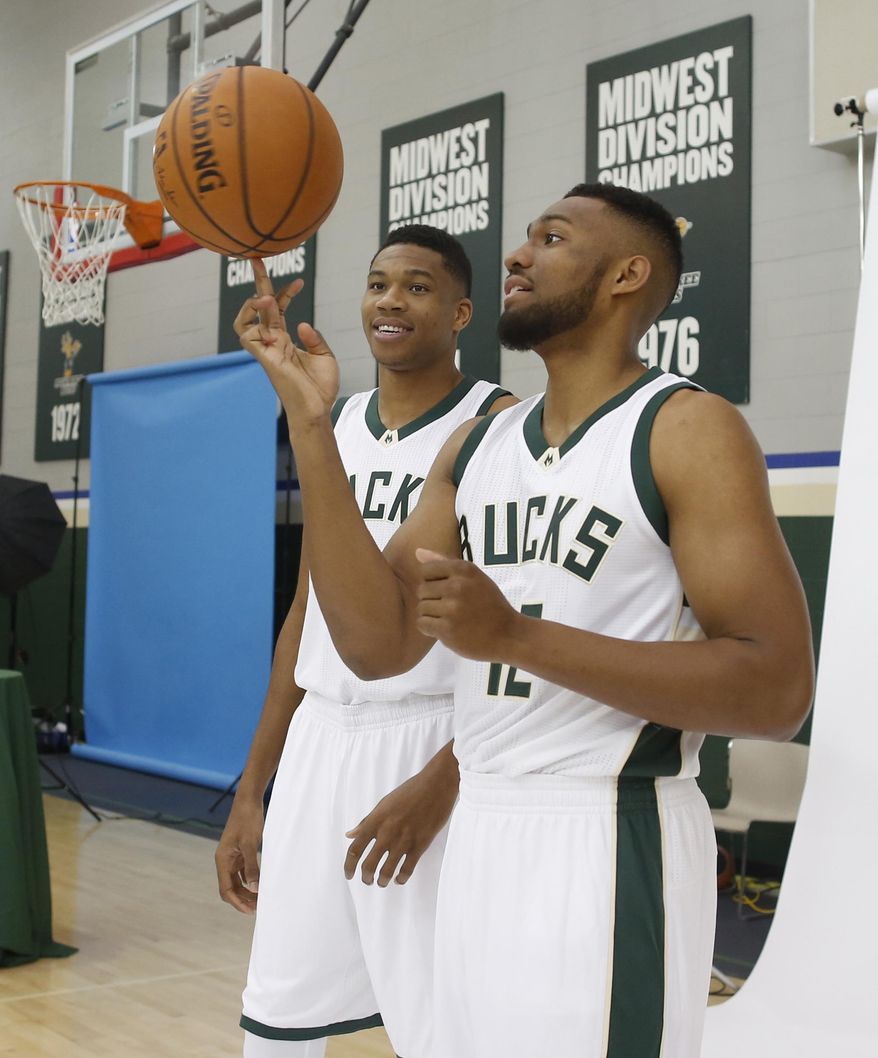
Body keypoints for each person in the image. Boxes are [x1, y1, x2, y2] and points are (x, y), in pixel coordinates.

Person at [236, 183, 815, 1058]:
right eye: (525, 239)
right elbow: (375, 643)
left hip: (611, 833)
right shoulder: (477, 450)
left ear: (627, 275)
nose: (517, 255)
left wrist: (513, 639)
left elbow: (776, 690)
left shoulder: (685, 429)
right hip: (482, 838)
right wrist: (311, 424)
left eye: (551, 238)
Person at [218, 224, 516, 1058]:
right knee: (279, 1011)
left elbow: (525, 634)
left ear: (461, 313)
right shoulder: (334, 420)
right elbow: (305, 616)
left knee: (443, 1022)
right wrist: (254, 789)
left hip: (431, 738)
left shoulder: (499, 429)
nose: (390, 299)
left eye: (417, 287)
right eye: (380, 282)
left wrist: (446, 778)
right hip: (322, 741)